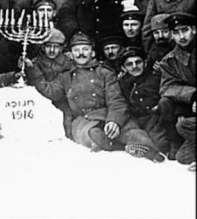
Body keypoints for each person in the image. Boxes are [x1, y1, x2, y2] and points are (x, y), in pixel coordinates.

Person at [25, 32, 165, 162]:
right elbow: (50, 91)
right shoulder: (66, 77)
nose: (81, 54)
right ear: (71, 54)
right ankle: (121, 147)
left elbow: (116, 100)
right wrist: (32, 69)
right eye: (76, 50)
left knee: (133, 132)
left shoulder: (105, 73)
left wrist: (114, 121)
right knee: (93, 135)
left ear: (92, 52)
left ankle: (149, 152)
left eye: (85, 49)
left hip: (108, 114)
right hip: (86, 120)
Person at [158, 12, 196, 161]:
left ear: (194, 29)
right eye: (176, 32)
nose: (181, 36)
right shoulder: (169, 61)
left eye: (185, 30)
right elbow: (167, 87)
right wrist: (192, 96)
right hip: (189, 106)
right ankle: (175, 142)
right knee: (164, 102)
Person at [118, 47, 169, 154]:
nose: (135, 67)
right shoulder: (122, 83)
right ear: (123, 68)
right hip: (134, 119)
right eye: (129, 64)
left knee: (161, 145)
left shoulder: (156, 78)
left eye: (138, 62)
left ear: (145, 63)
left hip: (154, 118)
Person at [26, 28, 74, 138]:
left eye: (56, 47)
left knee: (67, 120)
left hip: (62, 101)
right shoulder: (36, 63)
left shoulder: (69, 63)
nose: (52, 50)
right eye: (48, 46)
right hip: (41, 102)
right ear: (43, 47)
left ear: (62, 48)